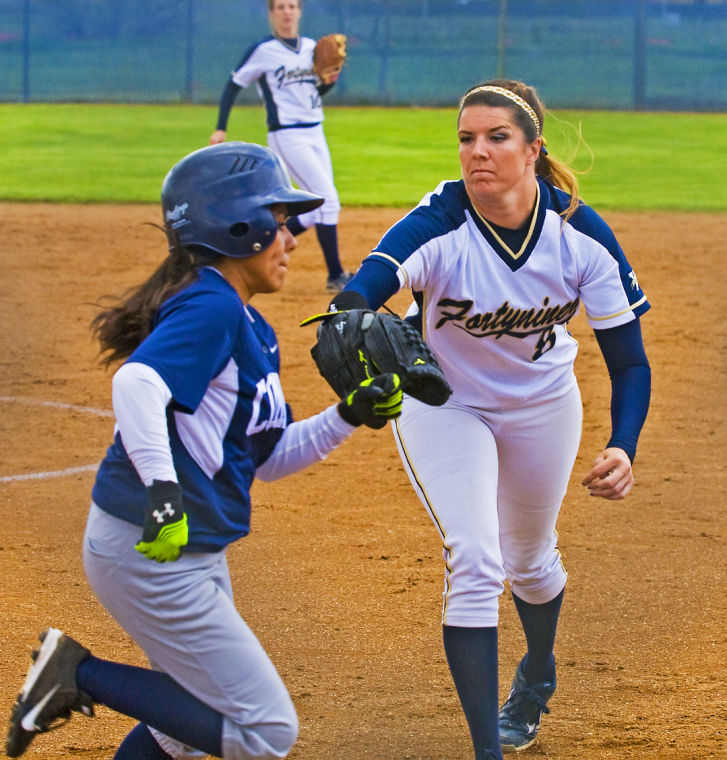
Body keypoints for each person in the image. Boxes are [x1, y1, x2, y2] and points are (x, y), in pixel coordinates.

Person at [5, 141, 402, 760]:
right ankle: (75, 674)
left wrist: (347, 415)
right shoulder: (213, 303)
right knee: (267, 731)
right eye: (278, 222)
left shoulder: (252, 327)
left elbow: (269, 459)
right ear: (237, 226)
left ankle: (77, 676)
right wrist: (163, 491)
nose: (293, 235)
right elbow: (136, 383)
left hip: (188, 550)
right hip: (152, 547)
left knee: (189, 726)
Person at [323, 80, 652, 758]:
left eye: (496, 137)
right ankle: (486, 751)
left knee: (529, 560)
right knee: (475, 557)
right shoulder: (439, 221)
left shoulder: (579, 234)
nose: (477, 151)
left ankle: (535, 671)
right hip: (447, 404)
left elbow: (628, 363)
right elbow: (364, 287)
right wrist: (350, 314)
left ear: (532, 150)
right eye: (466, 138)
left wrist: (623, 445)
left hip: (542, 406)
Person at [210, 0, 352, 293]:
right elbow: (233, 85)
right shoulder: (263, 51)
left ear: (299, 12)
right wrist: (220, 126)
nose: (287, 11)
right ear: (272, 13)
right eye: (280, 6)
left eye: (292, 6)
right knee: (329, 200)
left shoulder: (312, 47)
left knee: (314, 211)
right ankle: (336, 275)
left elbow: (317, 89)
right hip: (287, 135)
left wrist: (330, 79)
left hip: (316, 131)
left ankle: (254, 247)